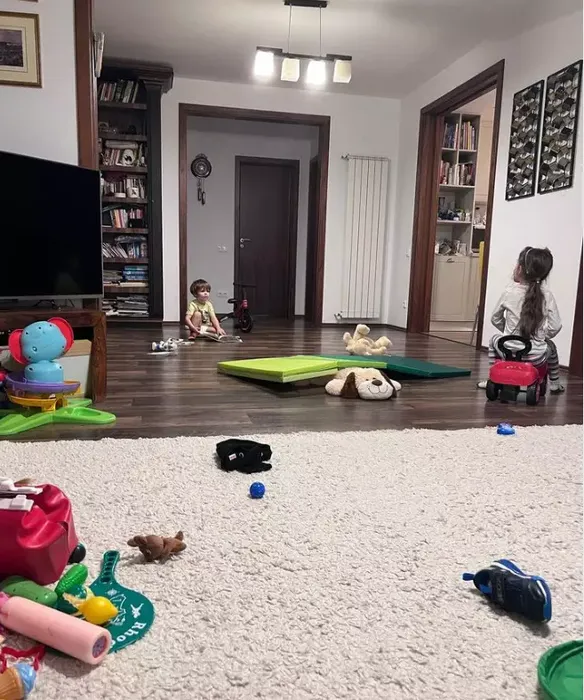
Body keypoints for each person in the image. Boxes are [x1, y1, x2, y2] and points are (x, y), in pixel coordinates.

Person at [478, 246, 564, 393]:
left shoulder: (508, 292)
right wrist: (542, 337)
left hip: (507, 350)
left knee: (494, 340)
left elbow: (495, 318)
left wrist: (507, 333)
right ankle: (555, 383)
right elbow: (556, 326)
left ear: (519, 268)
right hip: (536, 356)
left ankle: (493, 376)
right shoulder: (547, 295)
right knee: (551, 347)